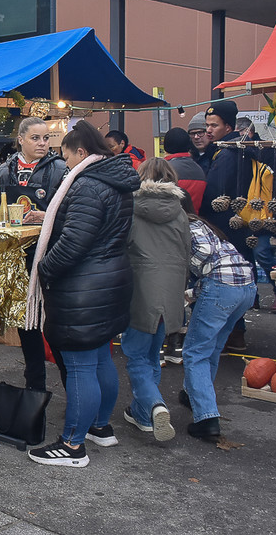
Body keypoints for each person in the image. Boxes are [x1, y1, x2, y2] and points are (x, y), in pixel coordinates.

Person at [26, 121, 139, 468]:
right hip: (109, 280)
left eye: (66, 155)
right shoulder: (114, 179)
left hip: (85, 287)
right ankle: (100, 427)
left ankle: (73, 445)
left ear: (81, 152)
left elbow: (75, 242)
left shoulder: (88, 184)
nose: (65, 163)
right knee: (101, 358)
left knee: (80, 366)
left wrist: (45, 269)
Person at [0, 116, 69, 391]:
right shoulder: (4, 170)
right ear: (21, 140)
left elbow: (72, 211)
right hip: (17, 255)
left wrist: (46, 214)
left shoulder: (60, 169)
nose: (42, 143)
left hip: (50, 255)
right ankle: (34, 385)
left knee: (54, 323)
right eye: (36, 138)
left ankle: (71, 386)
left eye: (46, 138)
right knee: (27, 321)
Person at [120, 158, 190, 443]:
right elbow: (187, 254)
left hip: (140, 291)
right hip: (171, 293)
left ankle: (154, 404)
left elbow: (121, 247)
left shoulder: (131, 209)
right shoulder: (181, 213)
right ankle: (143, 413)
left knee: (136, 356)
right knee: (152, 356)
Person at [179, 194, 257, 439]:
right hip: (245, 286)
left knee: (195, 352)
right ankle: (196, 395)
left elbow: (205, 256)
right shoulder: (205, 225)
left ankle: (206, 419)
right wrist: (191, 292)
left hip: (222, 286)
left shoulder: (188, 225)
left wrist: (183, 263)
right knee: (211, 348)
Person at [199, 100, 255, 351]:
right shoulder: (228, 149)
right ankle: (234, 331)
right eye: (207, 125)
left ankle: (232, 332)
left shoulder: (228, 153)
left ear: (228, 126)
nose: (208, 130)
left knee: (225, 277)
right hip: (237, 224)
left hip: (226, 225)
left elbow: (213, 192)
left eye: (214, 125)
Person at [236, 117, 276, 313]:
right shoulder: (237, 152)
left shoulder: (269, 150)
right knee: (244, 256)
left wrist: (262, 189)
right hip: (242, 213)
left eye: (239, 134)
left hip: (264, 213)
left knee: (262, 253)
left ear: (247, 132)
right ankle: (253, 297)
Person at [163, 127, 206, 212]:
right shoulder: (199, 170)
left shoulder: (164, 169)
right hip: (194, 220)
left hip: (170, 221)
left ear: (166, 148)